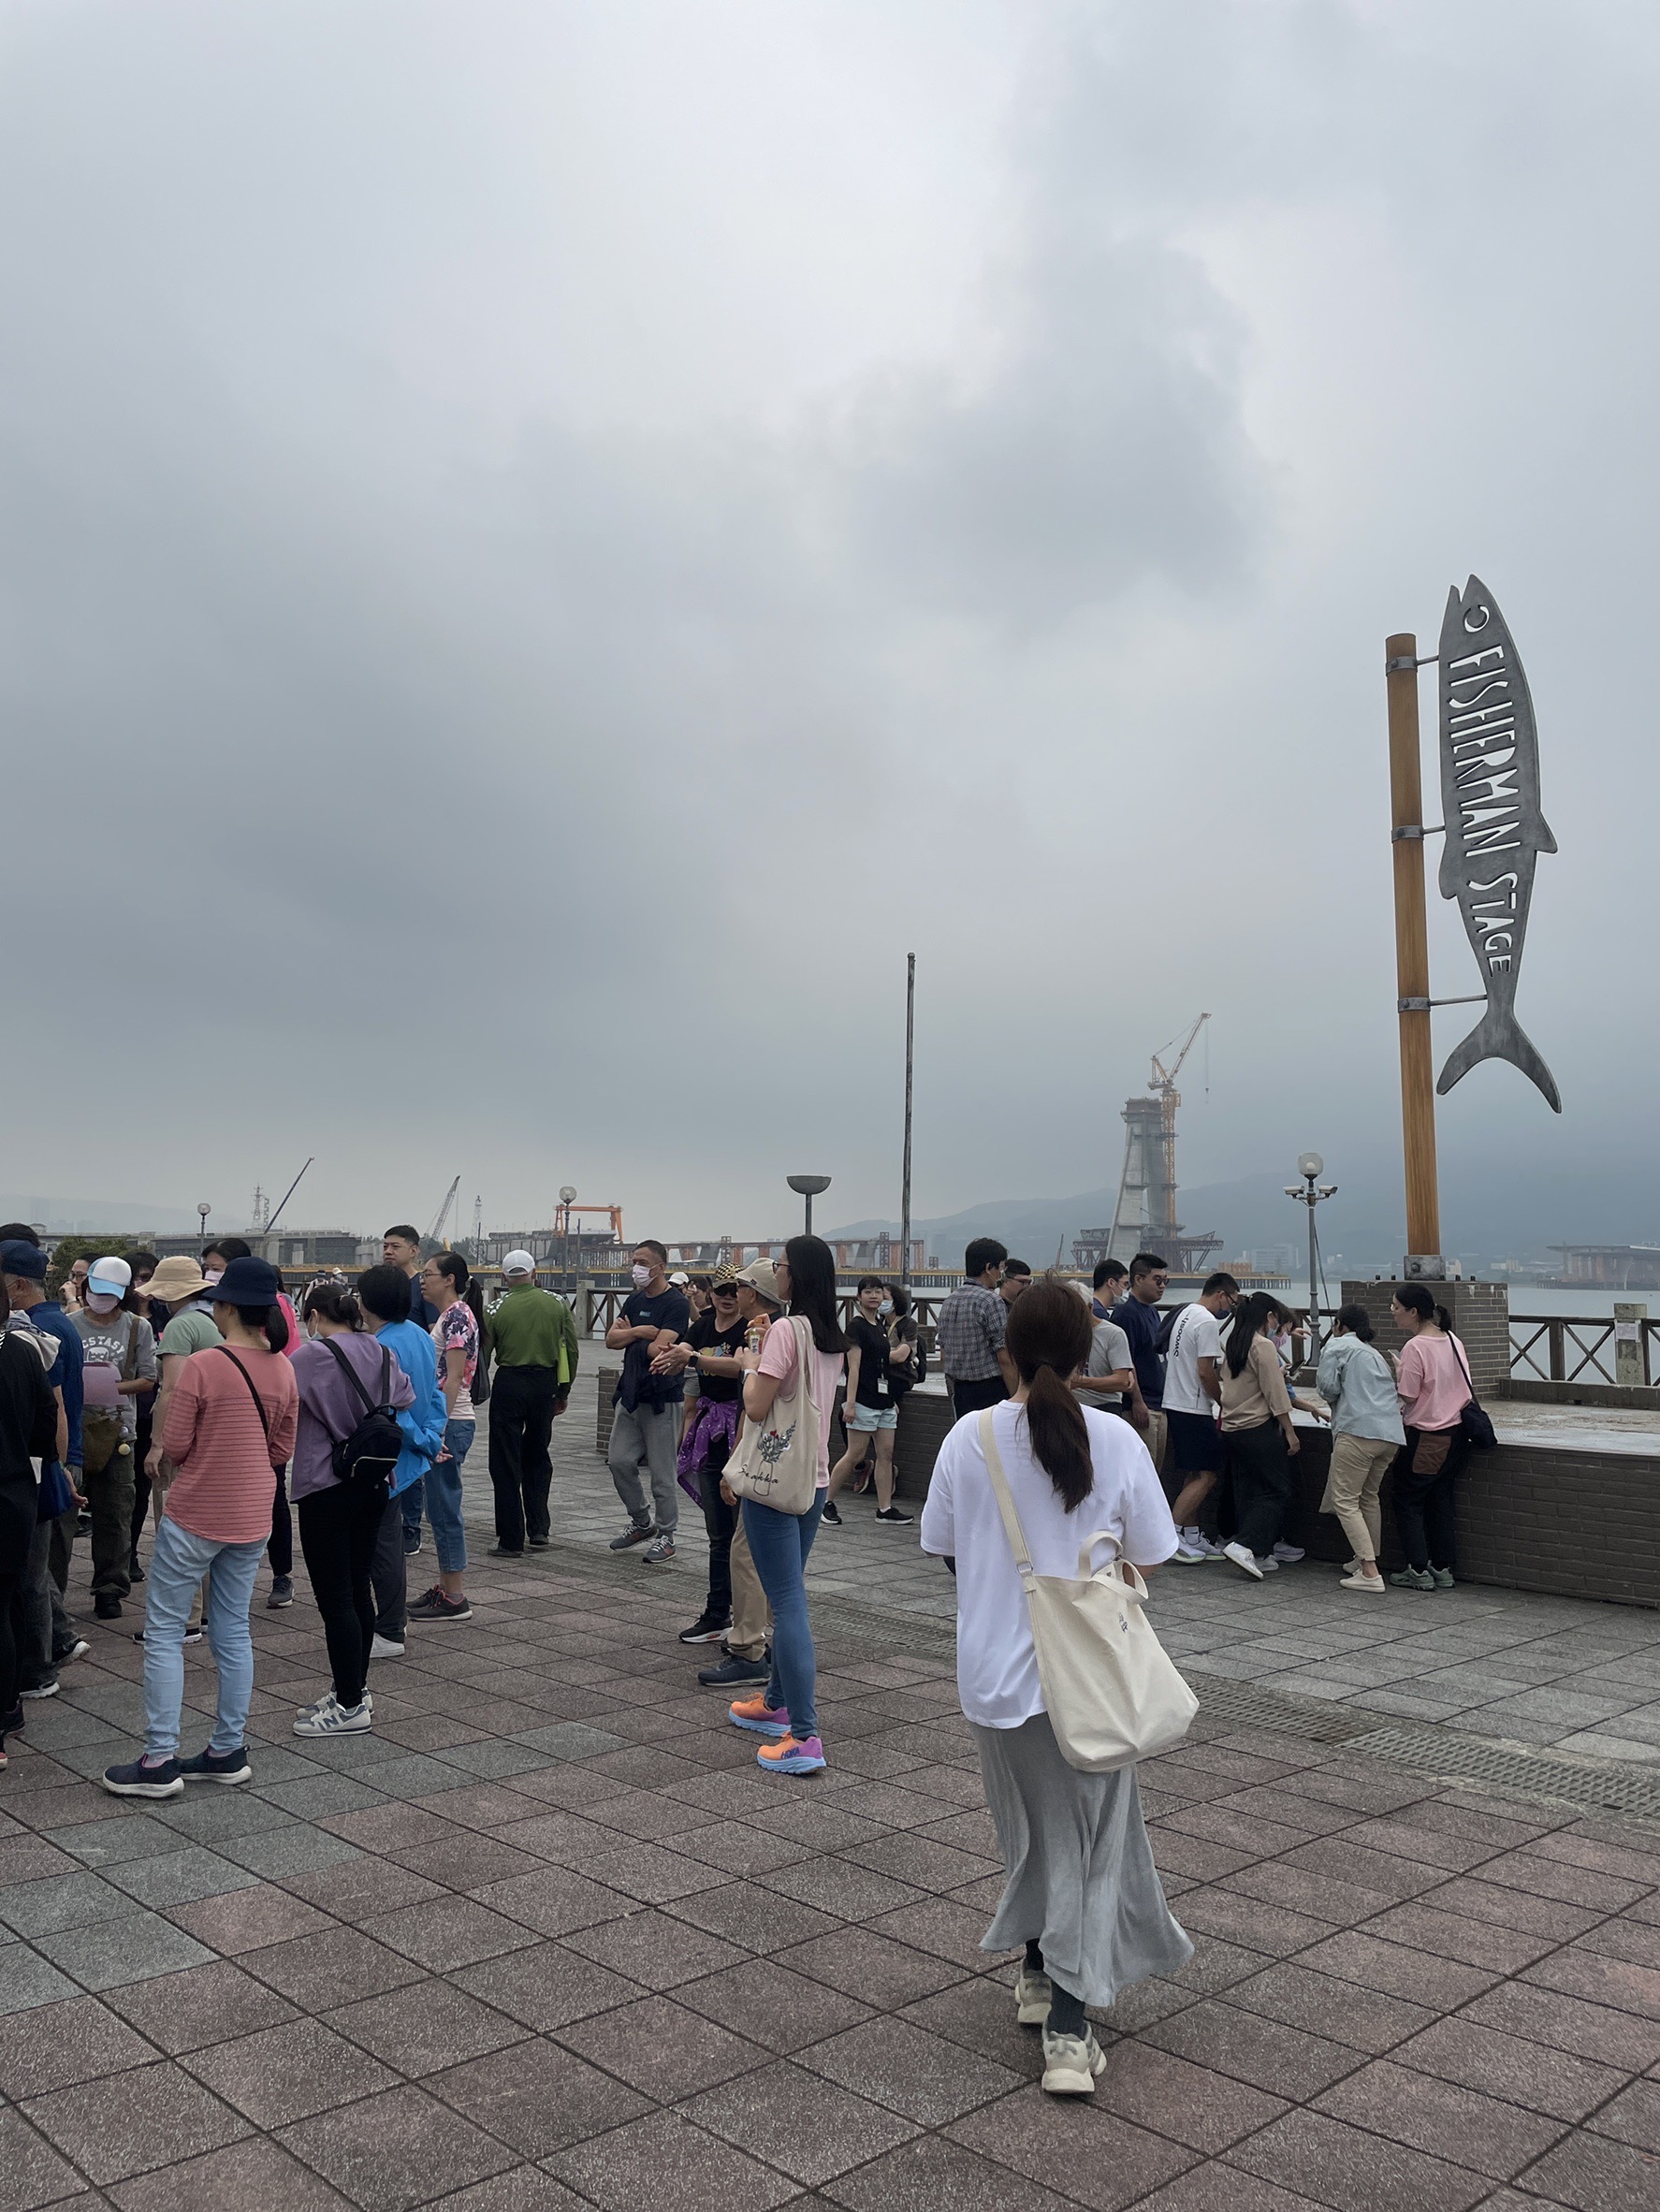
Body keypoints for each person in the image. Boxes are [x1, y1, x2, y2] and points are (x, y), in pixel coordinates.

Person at [919, 1276, 1189, 2096]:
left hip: (994, 1677)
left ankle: (1038, 1970)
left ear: (1008, 1351)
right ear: (1084, 1354)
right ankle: (1070, 2031)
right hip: (1091, 1679)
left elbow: (941, 1544)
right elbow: (1156, 1550)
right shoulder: (1117, 1441)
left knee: (1031, 1835)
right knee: (1094, 1848)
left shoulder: (970, 1437)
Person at [102, 1257, 299, 1797]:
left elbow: (180, 1445)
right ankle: (227, 1748)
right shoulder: (283, 1368)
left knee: (166, 1630)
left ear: (227, 1306)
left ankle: (159, 1758)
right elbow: (282, 1449)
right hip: (253, 1513)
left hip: (197, 1513)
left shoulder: (206, 1365)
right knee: (232, 1629)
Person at [725, 1234, 845, 1777]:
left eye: (780, 1264)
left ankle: (805, 1735)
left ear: (796, 1276)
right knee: (789, 1589)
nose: (776, 1271)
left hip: (773, 1480)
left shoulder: (783, 1332)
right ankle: (775, 1706)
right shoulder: (830, 1336)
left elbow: (755, 1407)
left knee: (789, 1603)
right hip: (812, 1480)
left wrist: (751, 1360)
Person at [290, 1280, 416, 1732]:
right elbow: (405, 1397)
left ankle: (348, 1705)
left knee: (335, 1598)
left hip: (325, 1482)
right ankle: (354, 1689)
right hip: (375, 1479)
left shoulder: (311, 1356)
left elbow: (282, 1402)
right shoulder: (382, 1352)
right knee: (358, 1587)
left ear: (314, 1317)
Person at [0, 1238, 88, 1694]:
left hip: (34, 1467)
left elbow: (51, 1408)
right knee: (33, 1570)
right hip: (44, 1461)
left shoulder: (30, 1335)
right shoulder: (56, 1324)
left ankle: (38, 1669)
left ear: (15, 1284)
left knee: (29, 1576)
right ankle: (59, 1639)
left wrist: (54, 1466)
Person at [695, 1259, 783, 1690]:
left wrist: (735, 1463)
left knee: (745, 1551)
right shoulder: (799, 1328)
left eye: (741, 1286)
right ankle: (772, 1638)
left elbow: (755, 1404)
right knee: (776, 1554)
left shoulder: (768, 1332)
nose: (732, 1293)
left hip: (765, 1452)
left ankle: (749, 1648)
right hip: (792, 1457)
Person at [355, 1266, 446, 1658]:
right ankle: (390, 1624)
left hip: (388, 1457)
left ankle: (390, 1629)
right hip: (412, 1454)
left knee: (383, 1547)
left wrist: (423, 1440)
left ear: (367, 1301)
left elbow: (390, 1411)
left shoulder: (380, 1347)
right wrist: (432, 1438)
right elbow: (436, 1396)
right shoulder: (420, 1336)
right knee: (386, 1541)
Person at [652, 1263, 747, 1643]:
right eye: (720, 1289)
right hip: (712, 1435)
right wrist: (676, 1354)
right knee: (719, 1534)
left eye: (733, 1290)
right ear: (709, 1293)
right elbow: (687, 1346)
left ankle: (749, 1619)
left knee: (745, 1535)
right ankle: (716, 1612)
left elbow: (738, 1366)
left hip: (742, 1431)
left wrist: (691, 1359)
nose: (726, 1296)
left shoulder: (752, 1327)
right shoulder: (705, 1324)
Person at [71, 1258, 157, 1621]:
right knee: (64, 1514)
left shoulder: (138, 1328)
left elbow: (149, 1378)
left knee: (115, 1515)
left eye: (108, 1294)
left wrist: (109, 1386)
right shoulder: (69, 1325)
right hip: (75, 1431)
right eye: (95, 1291)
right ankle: (53, 1589)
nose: (100, 1299)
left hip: (120, 1432)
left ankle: (110, 1588)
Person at [1, 1284, 60, 1773]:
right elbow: (47, 1419)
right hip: (17, 1491)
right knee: (10, 1598)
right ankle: (9, 1705)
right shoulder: (22, 1351)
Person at [484, 1250, 578, 1557]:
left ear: (504, 1277)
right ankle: (539, 1529)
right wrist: (563, 1390)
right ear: (534, 1274)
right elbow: (571, 1351)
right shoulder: (557, 1304)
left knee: (505, 1460)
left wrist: (476, 1392)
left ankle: (510, 1538)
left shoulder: (496, 1309)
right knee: (538, 1454)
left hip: (509, 1382)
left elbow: (484, 1357)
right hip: (545, 1384)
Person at [604, 1241, 691, 1564]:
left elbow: (661, 1350)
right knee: (618, 1461)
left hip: (662, 1397)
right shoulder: (635, 1298)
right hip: (630, 1394)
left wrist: (638, 1336)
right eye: (634, 1261)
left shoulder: (676, 1304)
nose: (636, 1267)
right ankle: (642, 1521)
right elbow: (612, 1340)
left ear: (660, 1267)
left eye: (642, 1262)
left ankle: (667, 1535)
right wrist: (643, 1331)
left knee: (662, 1473)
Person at [409, 1250, 483, 1620]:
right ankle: (446, 1586)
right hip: (448, 1421)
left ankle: (454, 1596)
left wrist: (435, 1430)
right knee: (437, 1508)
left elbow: (453, 1378)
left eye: (429, 1274)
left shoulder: (457, 1316)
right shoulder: (450, 1316)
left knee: (444, 1508)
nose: (423, 1280)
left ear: (450, 1279)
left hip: (451, 1422)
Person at [1389, 1286, 1472, 1593]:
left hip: (1427, 1435)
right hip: (1458, 1432)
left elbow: (1408, 1395)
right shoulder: (1453, 1340)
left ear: (1413, 1312)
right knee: (1441, 1499)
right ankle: (1443, 1567)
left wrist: (1399, 1371)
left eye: (1396, 1306)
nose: (1392, 1311)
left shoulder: (1415, 1347)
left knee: (1408, 1499)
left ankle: (1418, 1569)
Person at [1317, 1306, 1405, 1593]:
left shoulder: (1338, 1345)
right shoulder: (1373, 1353)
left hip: (1357, 1432)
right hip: (1390, 1435)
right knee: (1369, 1497)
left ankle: (1369, 1571)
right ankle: (1363, 1560)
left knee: (1345, 1500)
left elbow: (1327, 1387)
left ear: (1339, 1324)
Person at [1218, 1292, 1301, 1579]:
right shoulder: (1262, 1346)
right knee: (1277, 1490)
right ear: (1268, 1317)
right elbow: (1275, 1393)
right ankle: (1246, 1546)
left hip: (1232, 1428)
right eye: (1275, 1319)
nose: (1276, 1325)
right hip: (1257, 1428)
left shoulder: (1234, 1343)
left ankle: (1259, 1553)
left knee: (1249, 1490)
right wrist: (1290, 1430)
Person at [1158, 1273, 1239, 1564]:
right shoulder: (1206, 1321)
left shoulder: (1185, 1313)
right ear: (1221, 1294)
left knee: (1194, 1473)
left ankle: (1192, 1535)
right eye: (1231, 1302)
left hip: (1175, 1402)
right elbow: (1206, 1371)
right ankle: (1170, 1535)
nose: (1229, 1309)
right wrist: (1223, 1401)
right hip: (1193, 1407)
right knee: (1209, 1474)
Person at [823, 1276, 913, 1527]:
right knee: (855, 1454)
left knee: (886, 1454)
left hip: (884, 1401)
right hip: (862, 1399)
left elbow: (882, 1366)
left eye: (878, 1292)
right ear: (858, 1297)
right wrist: (849, 1404)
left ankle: (884, 1508)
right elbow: (854, 1368)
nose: (874, 1296)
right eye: (868, 1292)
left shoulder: (880, 1326)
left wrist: (891, 1399)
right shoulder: (856, 1327)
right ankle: (825, 1502)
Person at [938, 1237, 1017, 1418]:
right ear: (989, 1268)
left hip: (959, 1389)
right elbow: (1003, 1355)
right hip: (990, 1389)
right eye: (1001, 1268)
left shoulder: (950, 1301)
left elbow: (944, 1353)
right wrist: (1015, 1397)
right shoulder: (991, 1301)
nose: (1001, 1274)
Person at [1114, 1255, 1170, 1466]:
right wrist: (1137, 1401)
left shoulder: (1153, 1312)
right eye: (1157, 1279)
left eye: (1166, 1280)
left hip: (1158, 1403)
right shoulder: (1126, 1315)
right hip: (1142, 1406)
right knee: (1143, 1471)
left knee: (1156, 1470)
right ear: (1138, 1279)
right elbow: (1125, 1363)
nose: (1162, 1285)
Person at [125, 1252, 161, 1580]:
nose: (142, 1285)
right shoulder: (119, 1317)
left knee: (139, 1491)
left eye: (148, 1276)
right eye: (137, 1277)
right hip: (118, 1415)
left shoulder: (165, 1318)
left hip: (150, 1415)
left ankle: (130, 1553)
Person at [1074, 1268, 1137, 1422]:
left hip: (1105, 1407)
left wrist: (1079, 1382)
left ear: (1089, 1308)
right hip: (1073, 1406)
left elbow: (1123, 1381)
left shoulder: (1113, 1334)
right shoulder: (1061, 1331)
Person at [384, 1227, 439, 1327]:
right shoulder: (380, 1285)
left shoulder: (424, 1286)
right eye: (385, 1247)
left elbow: (434, 1330)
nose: (388, 1251)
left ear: (413, 1251)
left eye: (395, 1247)